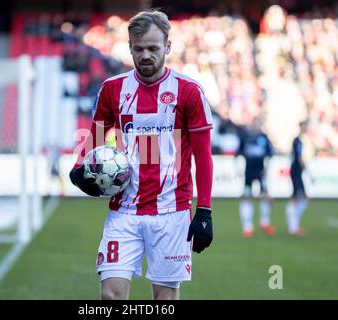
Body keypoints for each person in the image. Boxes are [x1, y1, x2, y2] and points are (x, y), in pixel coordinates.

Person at [69, 10, 214, 300]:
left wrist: (205, 211)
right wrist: (79, 168)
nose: (146, 55)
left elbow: (203, 156)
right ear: (130, 48)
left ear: (167, 47)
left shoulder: (189, 92)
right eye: (139, 49)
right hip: (124, 211)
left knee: (164, 299)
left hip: (172, 214)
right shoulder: (113, 90)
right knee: (110, 295)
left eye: (153, 48)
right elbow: (95, 137)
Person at [237, 117, 274, 238]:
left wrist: (267, 169)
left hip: (261, 170)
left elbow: (269, 154)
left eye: (259, 124)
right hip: (249, 171)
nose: (257, 126)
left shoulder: (264, 137)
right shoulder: (245, 136)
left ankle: (265, 223)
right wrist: (239, 169)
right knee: (247, 196)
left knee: (266, 196)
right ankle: (247, 227)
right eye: (255, 123)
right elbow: (239, 153)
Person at [285, 121, 308, 236]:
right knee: (295, 198)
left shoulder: (298, 141)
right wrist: (304, 167)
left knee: (302, 199)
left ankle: (294, 225)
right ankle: (293, 227)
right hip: (296, 172)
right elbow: (298, 156)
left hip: (296, 172)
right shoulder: (297, 141)